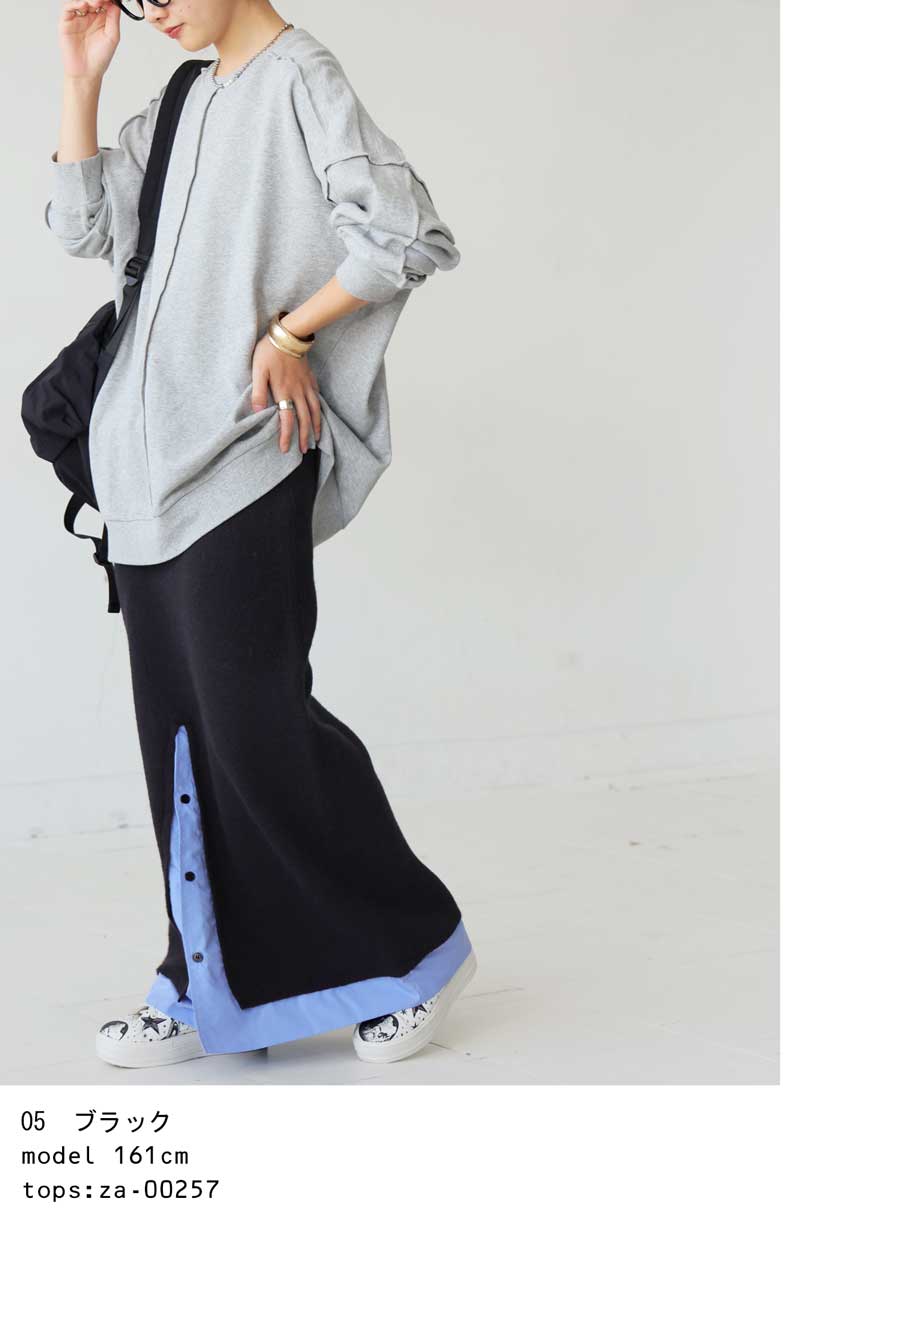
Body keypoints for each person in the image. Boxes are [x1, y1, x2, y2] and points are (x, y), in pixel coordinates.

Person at [46, 0, 475, 1069]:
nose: (155, 11)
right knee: (181, 743)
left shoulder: (301, 80)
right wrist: (82, 81)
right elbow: (82, 230)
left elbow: (405, 232)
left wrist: (291, 332)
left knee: (258, 729)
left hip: (242, 458)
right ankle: (202, 981)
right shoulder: (182, 97)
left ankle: (413, 952)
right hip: (142, 476)